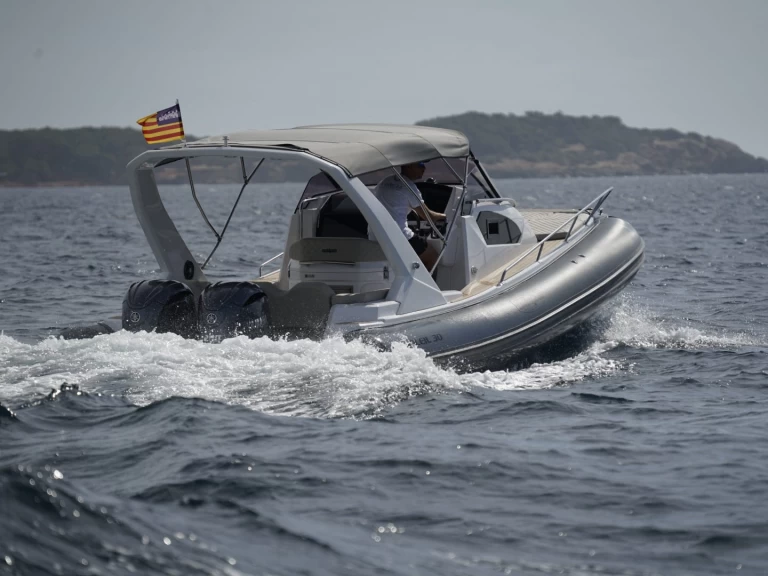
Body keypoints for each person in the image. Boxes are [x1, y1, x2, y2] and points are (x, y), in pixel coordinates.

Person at [369, 161, 446, 270]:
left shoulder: (384, 182)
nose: (424, 168)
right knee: (432, 256)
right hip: (398, 238)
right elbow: (429, 217)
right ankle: (424, 286)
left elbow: (389, 204)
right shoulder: (408, 187)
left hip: (375, 236)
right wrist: (445, 216)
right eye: (420, 164)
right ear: (408, 165)